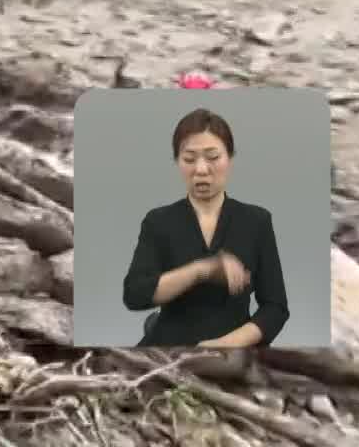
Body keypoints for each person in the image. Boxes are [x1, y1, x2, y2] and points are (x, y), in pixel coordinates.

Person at [120, 108, 287, 348]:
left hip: (232, 350)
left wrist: (228, 344)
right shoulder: (159, 221)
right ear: (177, 161)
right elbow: (135, 295)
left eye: (212, 157)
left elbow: (275, 308)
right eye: (189, 159)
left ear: (229, 158)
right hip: (165, 347)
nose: (201, 169)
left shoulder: (256, 221)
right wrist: (202, 270)